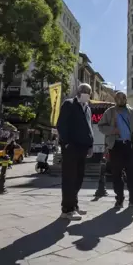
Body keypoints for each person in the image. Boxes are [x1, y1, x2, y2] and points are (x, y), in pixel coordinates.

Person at [98, 91, 133, 208]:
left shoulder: (131, 111)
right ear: (115, 99)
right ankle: (119, 199)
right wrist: (112, 130)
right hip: (116, 146)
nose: (121, 99)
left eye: (123, 97)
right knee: (116, 174)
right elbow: (101, 126)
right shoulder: (110, 112)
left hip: (129, 146)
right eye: (118, 97)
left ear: (126, 99)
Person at [56, 83, 94, 220]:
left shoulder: (88, 108)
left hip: (83, 148)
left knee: (79, 178)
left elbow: (89, 128)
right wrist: (65, 143)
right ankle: (67, 210)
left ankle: (74, 205)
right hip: (71, 147)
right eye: (83, 90)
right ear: (78, 91)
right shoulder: (69, 104)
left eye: (88, 91)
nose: (86, 93)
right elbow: (61, 124)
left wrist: (90, 145)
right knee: (69, 178)